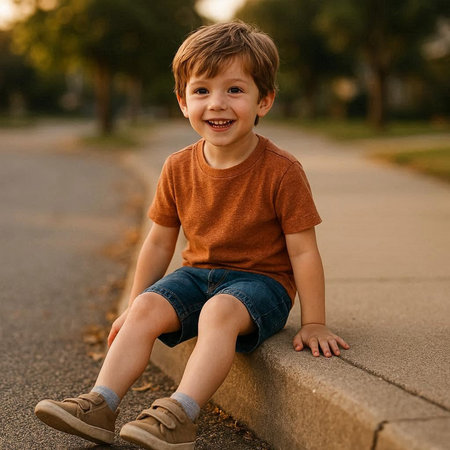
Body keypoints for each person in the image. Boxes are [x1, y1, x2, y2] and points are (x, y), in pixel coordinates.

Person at [35, 21, 349, 449]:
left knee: (217, 313)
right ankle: (100, 404)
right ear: (183, 102)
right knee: (146, 306)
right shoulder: (177, 166)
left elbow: (304, 252)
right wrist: (134, 305)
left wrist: (314, 322)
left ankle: (178, 414)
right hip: (197, 274)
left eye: (235, 90)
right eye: (202, 91)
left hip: (263, 284)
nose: (217, 104)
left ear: (265, 100)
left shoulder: (281, 170)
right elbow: (160, 241)